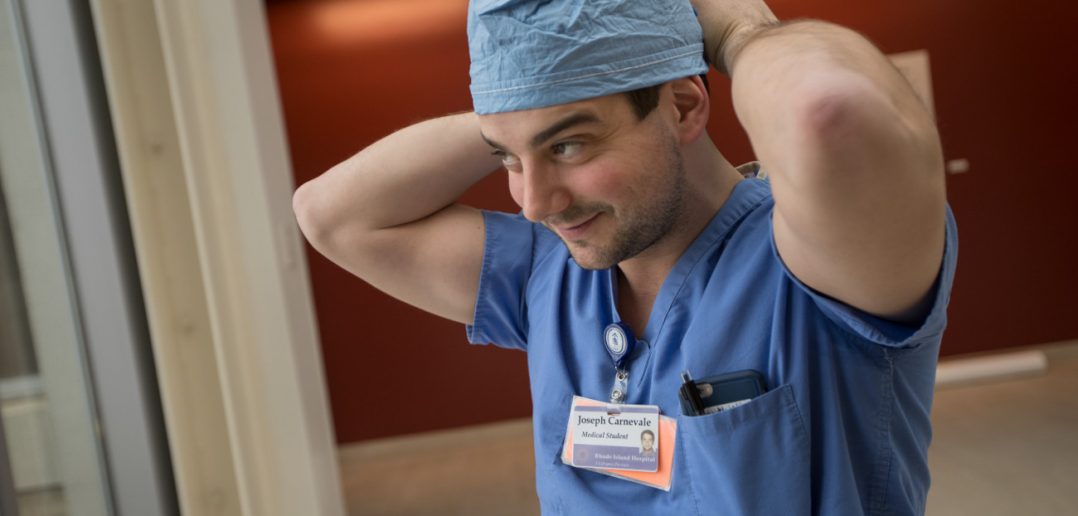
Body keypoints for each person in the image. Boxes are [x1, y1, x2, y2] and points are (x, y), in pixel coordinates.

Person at [292, 0, 957, 513]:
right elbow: (330, 214)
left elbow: (828, 112)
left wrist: (739, 34)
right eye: (508, 161)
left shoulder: (816, 267)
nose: (535, 204)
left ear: (684, 105)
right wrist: (528, 96)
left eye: (570, 146)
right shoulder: (547, 275)